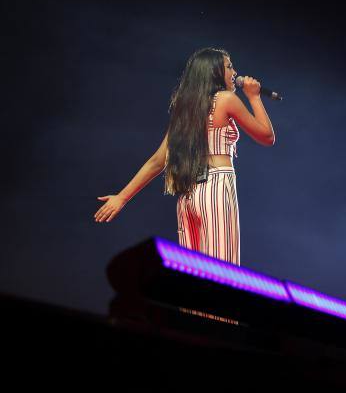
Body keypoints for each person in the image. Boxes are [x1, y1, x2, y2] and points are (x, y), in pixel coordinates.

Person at [93, 47, 276, 323]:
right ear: (214, 71)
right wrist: (253, 97)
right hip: (215, 187)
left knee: (193, 281)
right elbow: (266, 136)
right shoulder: (227, 99)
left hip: (188, 196)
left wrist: (122, 197)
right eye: (228, 66)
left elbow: (158, 161)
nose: (234, 72)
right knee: (220, 277)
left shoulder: (186, 107)